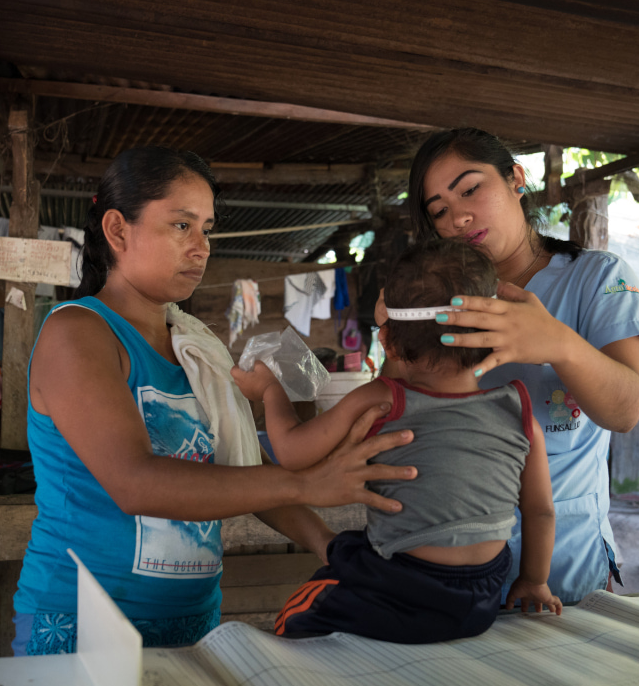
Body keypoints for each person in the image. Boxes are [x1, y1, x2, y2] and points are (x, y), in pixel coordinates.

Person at [11, 147, 416, 655]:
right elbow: (134, 482)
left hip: (192, 621)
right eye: (182, 226)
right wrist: (304, 482)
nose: (201, 247)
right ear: (117, 231)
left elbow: (243, 465)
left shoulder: (193, 343)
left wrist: (334, 548)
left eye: (206, 227)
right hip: (85, 624)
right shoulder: (77, 332)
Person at [234, 238, 562, 644]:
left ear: (386, 343)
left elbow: (291, 452)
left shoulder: (382, 397)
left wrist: (270, 391)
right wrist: (533, 581)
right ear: (493, 338)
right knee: (351, 549)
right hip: (483, 595)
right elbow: (541, 511)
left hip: (400, 587)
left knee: (294, 616)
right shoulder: (518, 408)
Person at [393, 128, 639, 605]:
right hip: (449, 556)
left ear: (516, 177)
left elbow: (626, 411)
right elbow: (398, 404)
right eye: (439, 211)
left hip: (565, 565)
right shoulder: (435, 303)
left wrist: (559, 343)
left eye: (470, 188)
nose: (459, 216)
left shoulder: (597, 278)